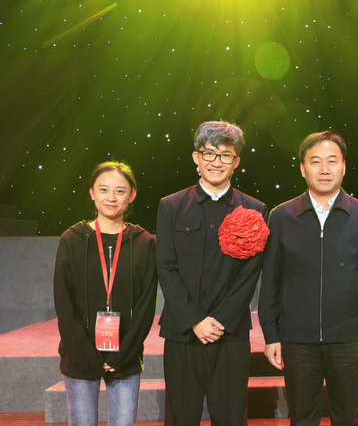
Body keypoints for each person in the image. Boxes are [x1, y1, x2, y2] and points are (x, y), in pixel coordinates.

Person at [258, 130, 358, 426]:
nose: (324, 169)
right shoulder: (281, 216)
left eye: (332, 161)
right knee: (302, 418)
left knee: (347, 417)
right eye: (315, 161)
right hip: (297, 339)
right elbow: (271, 281)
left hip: (349, 338)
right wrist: (271, 334)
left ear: (344, 166)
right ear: (303, 168)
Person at [156, 120, 268, 426]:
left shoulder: (254, 209)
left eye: (225, 155)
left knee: (231, 416)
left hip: (229, 333)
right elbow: (166, 267)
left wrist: (219, 321)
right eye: (209, 153)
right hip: (182, 331)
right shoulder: (171, 206)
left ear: (236, 162)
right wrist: (195, 319)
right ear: (196, 157)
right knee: (181, 417)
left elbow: (250, 274)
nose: (216, 162)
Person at [53, 161, 157, 426]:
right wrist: (85, 354)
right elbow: (64, 303)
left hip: (125, 357)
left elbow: (146, 305)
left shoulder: (144, 242)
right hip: (79, 356)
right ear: (92, 193)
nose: (111, 197)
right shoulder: (72, 239)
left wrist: (123, 354)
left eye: (120, 191)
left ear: (132, 195)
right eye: (103, 189)